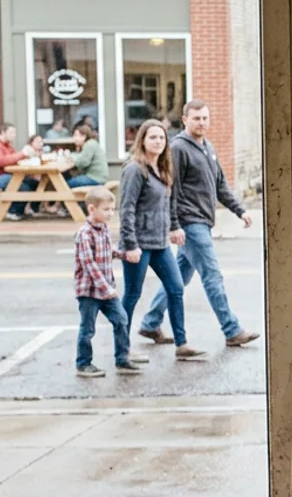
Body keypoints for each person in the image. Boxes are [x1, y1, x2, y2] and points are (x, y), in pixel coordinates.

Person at [137, 100, 260, 348]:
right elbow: (171, 188)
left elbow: (220, 185)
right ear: (185, 120)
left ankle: (150, 323)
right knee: (212, 276)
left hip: (202, 221)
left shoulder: (207, 147)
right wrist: (174, 225)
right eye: (196, 118)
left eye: (205, 118)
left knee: (178, 278)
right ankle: (231, 329)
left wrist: (240, 211)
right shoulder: (179, 148)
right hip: (190, 223)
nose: (201, 122)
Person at [119, 121, 204, 362]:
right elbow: (126, 210)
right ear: (142, 141)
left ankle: (182, 343)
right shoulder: (135, 170)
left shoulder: (164, 169)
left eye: (161, 138)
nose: (158, 141)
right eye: (152, 137)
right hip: (139, 244)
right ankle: (122, 348)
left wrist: (174, 226)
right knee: (132, 295)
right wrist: (130, 244)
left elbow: (170, 204)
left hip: (159, 243)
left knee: (176, 288)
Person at [74, 186, 140, 378]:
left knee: (121, 320)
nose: (111, 213)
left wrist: (123, 254)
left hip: (106, 290)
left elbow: (108, 251)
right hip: (89, 291)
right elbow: (89, 264)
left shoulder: (103, 230)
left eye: (112, 209)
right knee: (88, 329)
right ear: (92, 209)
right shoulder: (85, 234)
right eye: (106, 209)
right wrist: (106, 287)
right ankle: (83, 363)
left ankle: (122, 358)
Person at [0, 124, 34, 221]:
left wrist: (25, 158)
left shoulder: (7, 145)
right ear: (3, 133)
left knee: (31, 182)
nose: (14, 135)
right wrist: (22, 153)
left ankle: (20, 211)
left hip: (3, 177)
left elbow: (13, 159)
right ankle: (12, 211)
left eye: (14, 133)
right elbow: (2, 161)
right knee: (19, 185)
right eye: (12, 132)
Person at [67, 123, 109, 188]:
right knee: (66, 179)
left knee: (67, 184)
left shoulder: (89, 145)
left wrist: (71, 157)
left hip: (96, 178)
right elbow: (80, 156)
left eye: (76, 135)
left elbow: (83, 162)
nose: (74, 138)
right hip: (97, 177)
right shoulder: (90, 143)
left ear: (84, 136)